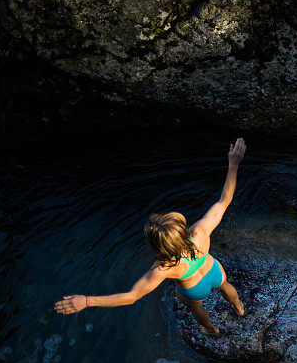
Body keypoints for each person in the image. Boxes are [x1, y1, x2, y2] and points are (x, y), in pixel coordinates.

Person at [54, 138, 247, 335]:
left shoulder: (163, 268)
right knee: (225, 286)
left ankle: (211, 329)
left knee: (195, 308)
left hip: (194, 291)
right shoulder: (200, 231)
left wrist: (87, 301)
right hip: (214, 271)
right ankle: (239, 308)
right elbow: (225, 199)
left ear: (158, 247)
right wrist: (233, 164)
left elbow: (131, 297)